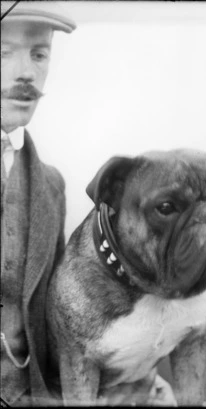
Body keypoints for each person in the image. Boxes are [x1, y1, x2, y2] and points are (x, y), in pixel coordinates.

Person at [1, 2, 76, 406]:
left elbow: (60, 315)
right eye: (3, 52)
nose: (26, 73)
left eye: (39, 53)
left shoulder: (52, 185)